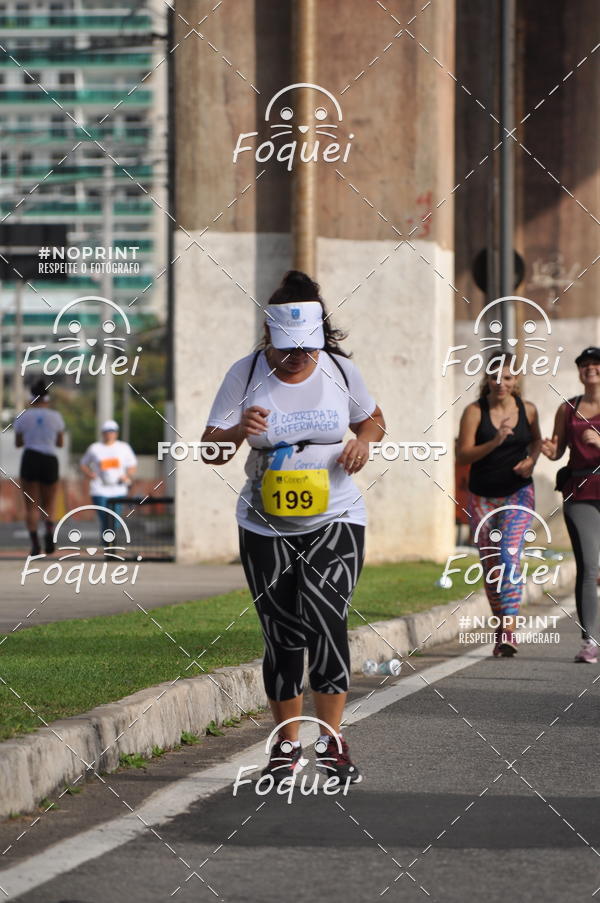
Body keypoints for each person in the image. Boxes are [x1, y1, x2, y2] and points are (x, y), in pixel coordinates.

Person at [202, 270, 385, 785]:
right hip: (264, 525)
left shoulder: (341, 372)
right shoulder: (245, 373)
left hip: (337, 517)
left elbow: (374, 419)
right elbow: (210, 450)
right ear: (269, 336)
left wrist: (363, 442)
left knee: (327, 620)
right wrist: (240, 431)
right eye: (288, 348)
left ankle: (332, 742)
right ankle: (285, 747)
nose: (298, 358)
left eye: (307, 347)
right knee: (282, 633)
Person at [457, 357, 542, 656]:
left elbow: (537, 443)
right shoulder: (474, 411)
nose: (500, 383)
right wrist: (494, 442)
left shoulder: (528, 410)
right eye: (495, 377)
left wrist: (531, 461)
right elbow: (464, 455)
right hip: (482, 497)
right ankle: (501, 626)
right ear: (487, 379)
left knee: (508, 554)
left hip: (518, 494)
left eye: (507, 378)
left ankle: (509, 628)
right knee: (491, 565)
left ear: (516, 380)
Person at [541, 346, 600, 664]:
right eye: (585, 364)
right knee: (590, 567)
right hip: (580, 491)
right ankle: (590, 640)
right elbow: (557, 450)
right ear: (579, 371)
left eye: (596, 364)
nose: (590, 369)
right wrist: (548, 450)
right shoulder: (568, 408)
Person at [15, 378, 65, 556]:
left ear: (32, 398)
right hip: (49, 459)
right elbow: (60, 443)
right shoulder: (56, 416)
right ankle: (49, 533)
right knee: (49, 504)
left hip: (30, 458)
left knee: (31, 506)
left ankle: (35, 544)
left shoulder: (23, 416)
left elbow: (18, 443)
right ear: (47, 399)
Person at [80, 420, 137, 543]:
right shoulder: (95, 448)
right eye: (107, 432)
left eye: (112, 431)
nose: (109, 434)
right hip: (99, 489)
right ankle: (108, 543)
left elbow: (132, 466)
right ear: (102, 433)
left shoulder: (124, 447)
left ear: (116, 433)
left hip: (118, 489)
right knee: (104, 517)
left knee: (115, 519)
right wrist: (90, 474)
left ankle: (110, 542)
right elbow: (83, 464)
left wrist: (126, 475)